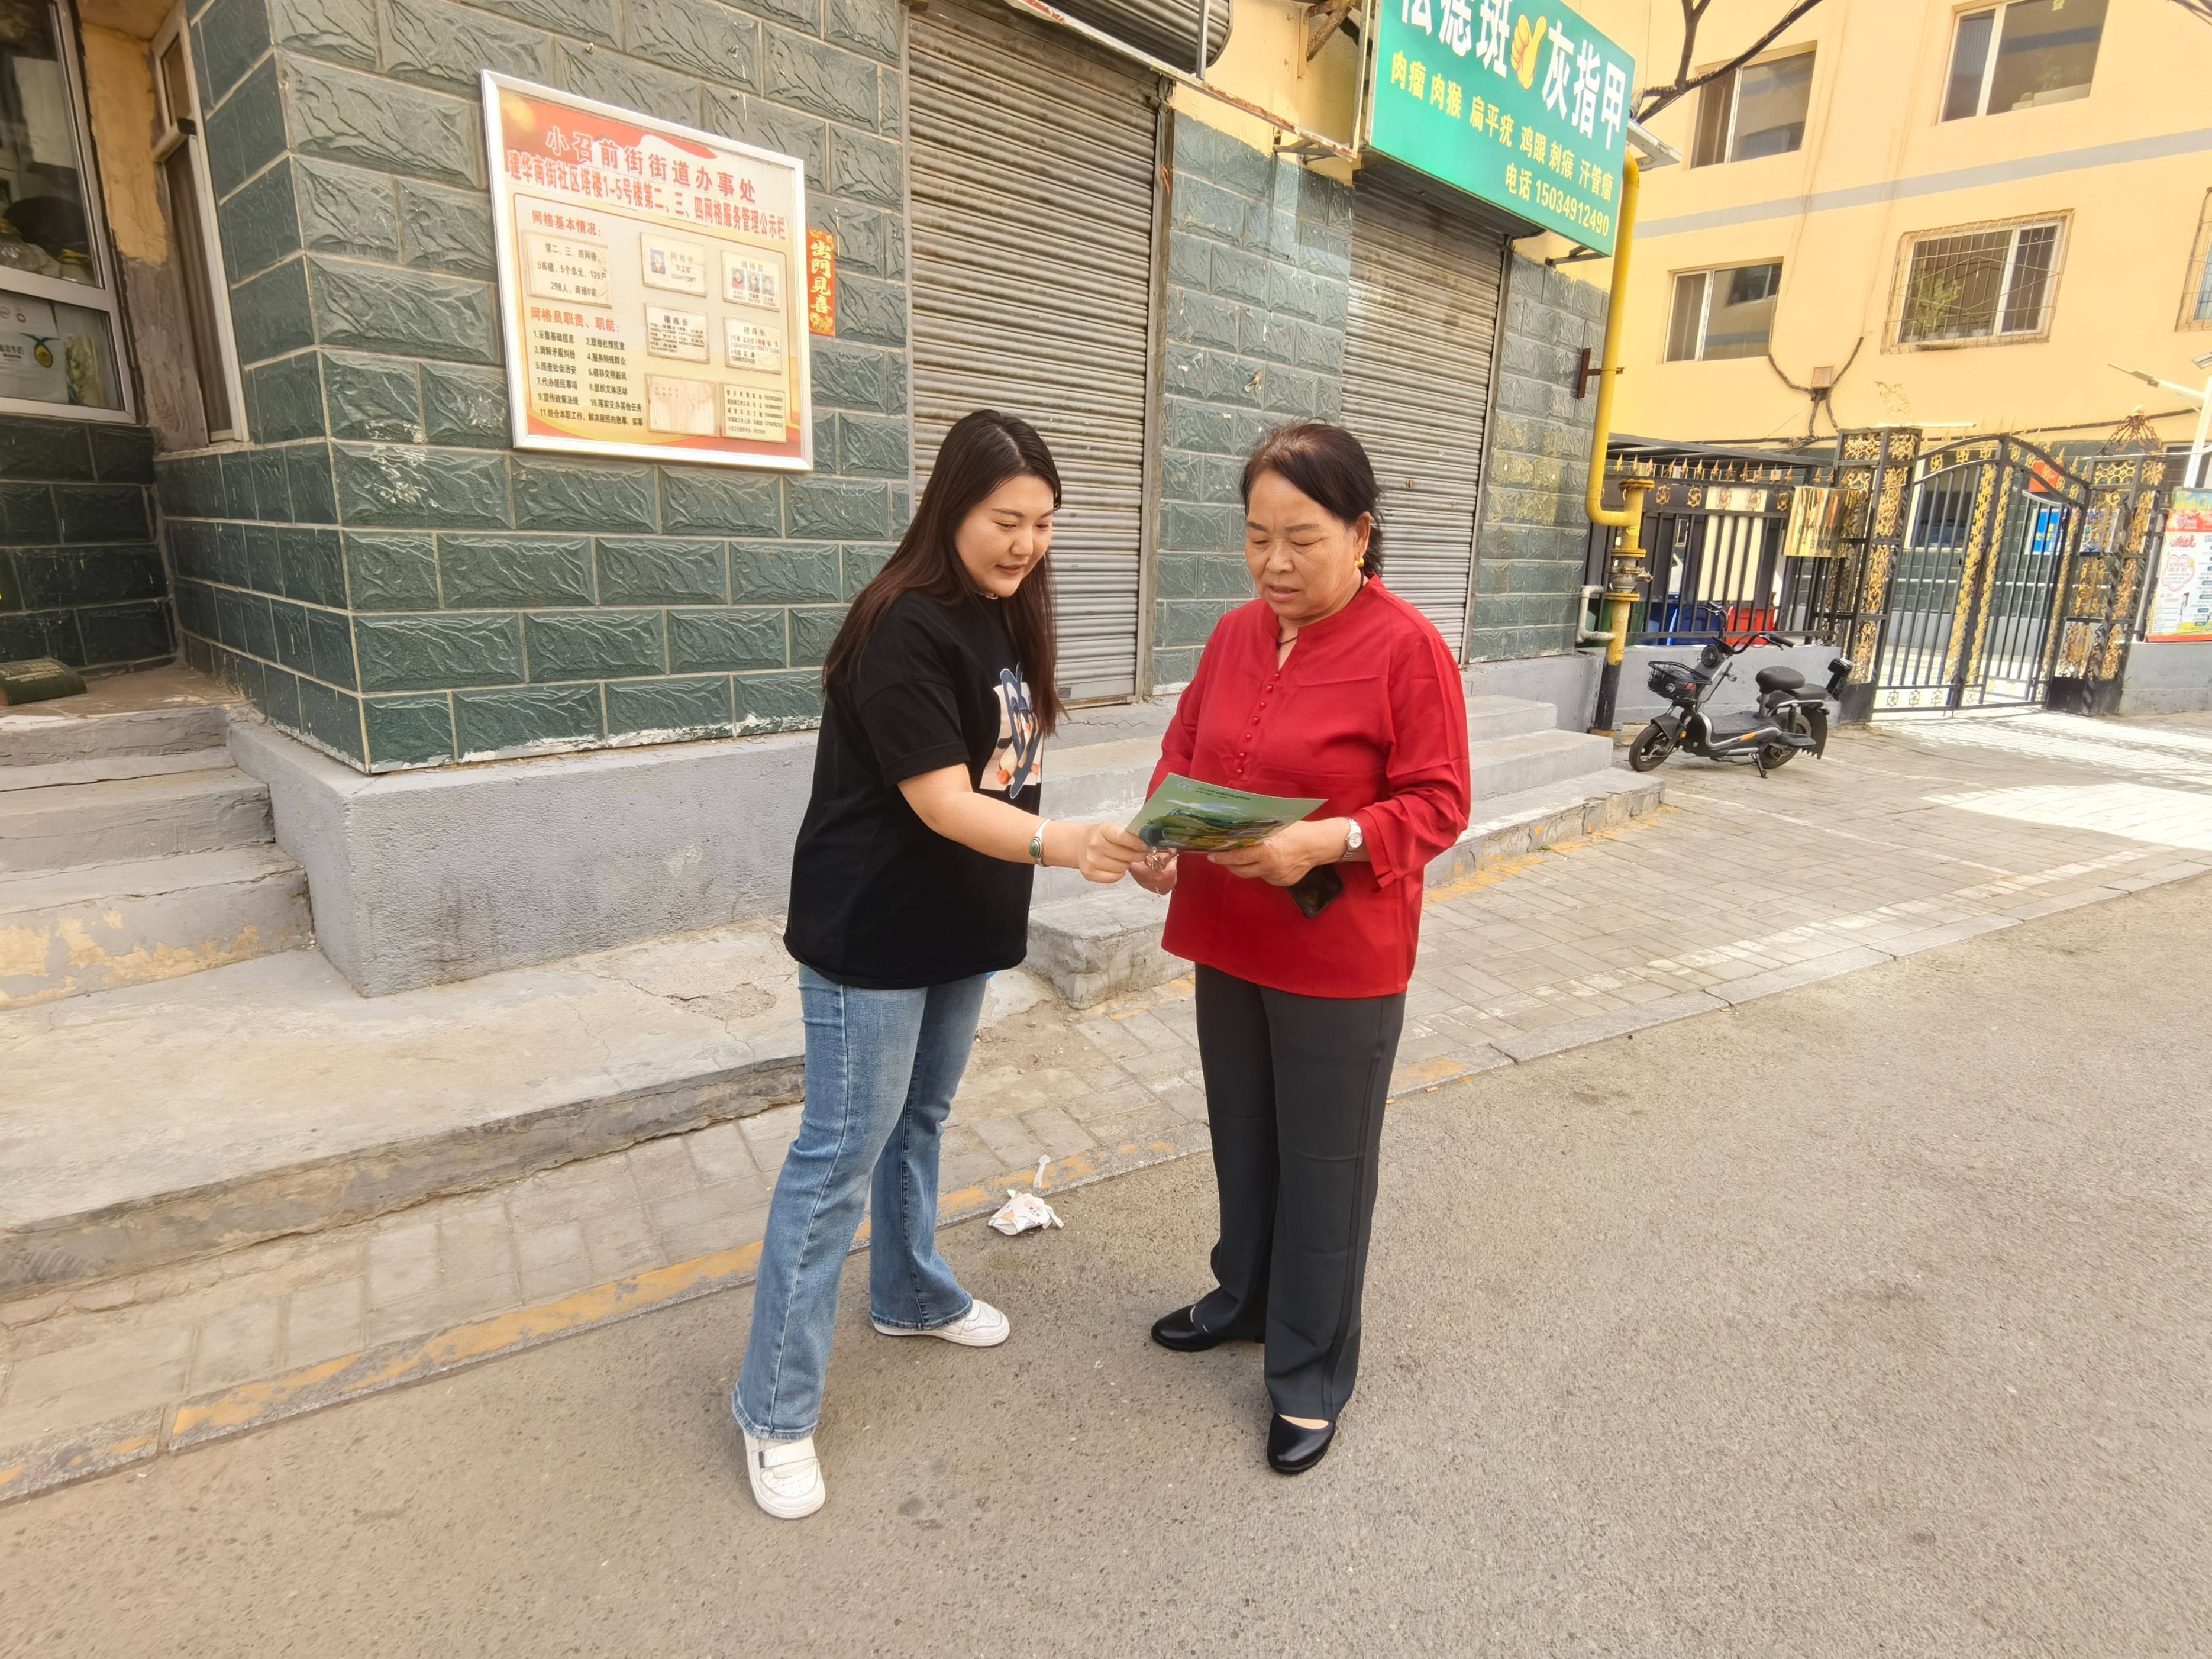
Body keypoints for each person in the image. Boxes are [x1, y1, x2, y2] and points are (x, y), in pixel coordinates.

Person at [734, 410, 1149, 1519]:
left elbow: (1001, 777)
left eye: (1044, 523)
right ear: (952, 506)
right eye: (1007, 519)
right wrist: (1070, 844)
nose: (1027, 543)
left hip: (958, 926)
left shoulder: (1005, 615)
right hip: (873, 934)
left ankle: (911, 1292)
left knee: (919, 1121)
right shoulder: (900, 626)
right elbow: (942, 801)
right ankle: (774, 1409)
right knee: (838, 1154)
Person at [1129, 422, 1471, 1474]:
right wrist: (1156, 837)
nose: (1274, 563)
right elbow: (1186, 750)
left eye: (1303, 539)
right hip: (1228, 933)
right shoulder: (1234, 634)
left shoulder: (1407, 647)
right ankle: (1244, 1298)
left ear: (1360, 535)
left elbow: (1440, 803)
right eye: (1257, 537)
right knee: (1242, 1134)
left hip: (1339, 954)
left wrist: (1327, 840)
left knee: (1326, 1165)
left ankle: (1310, 1372)